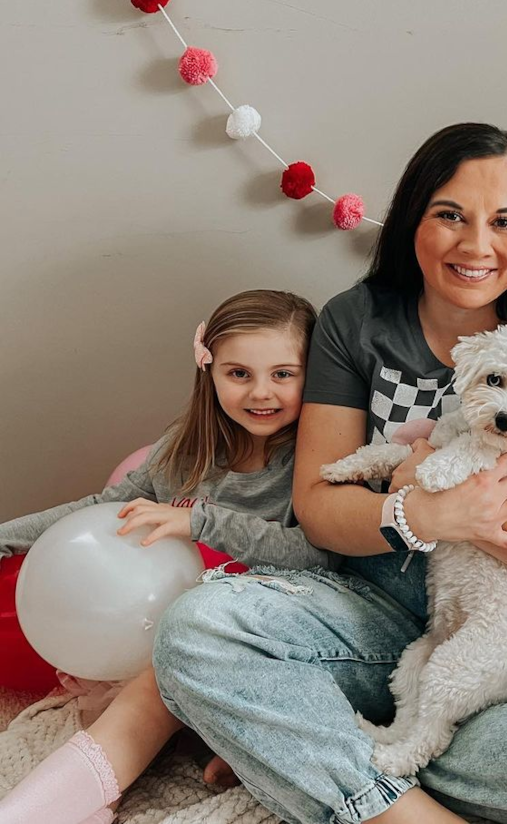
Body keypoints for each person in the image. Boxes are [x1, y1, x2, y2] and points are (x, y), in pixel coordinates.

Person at [151, 123, 507, 824]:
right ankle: (396, 805)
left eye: (505, 222)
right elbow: (321, 506)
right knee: (195, 632)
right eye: (450, 215)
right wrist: (416, 515)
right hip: (380, 606)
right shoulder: (356, 320)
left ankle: (312, 743)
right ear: (413, 216)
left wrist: (456, 498)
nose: (477, 246)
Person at [0, 289, 335, 824]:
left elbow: (320, 557)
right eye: (239, 374)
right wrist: (6, 536)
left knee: (151, 679)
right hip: (170, 632)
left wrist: (201, 521)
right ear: (209, 371)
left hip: (266, 638)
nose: (261, 392)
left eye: (283, 374)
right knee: (100, 683)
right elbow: (102, 509)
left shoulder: (317, 458)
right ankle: (101, 786)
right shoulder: (184, 450)